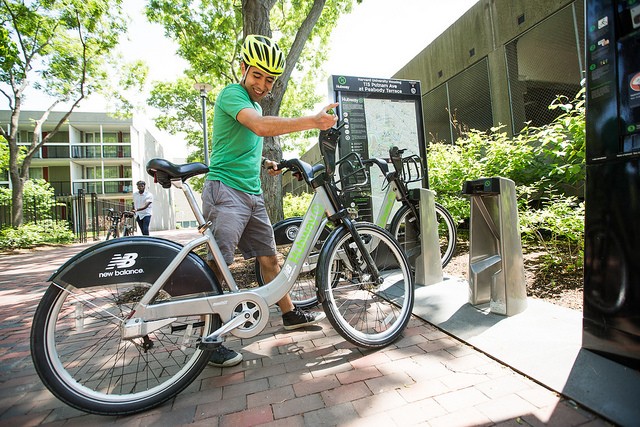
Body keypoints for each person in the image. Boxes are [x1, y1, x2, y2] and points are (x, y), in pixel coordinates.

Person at [202, 34, 339, 368]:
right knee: (219, 264)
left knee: (269, 260)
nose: (262, 84)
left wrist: (268, 165)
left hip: (251, 193)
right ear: (243, 69)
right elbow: (261, 128)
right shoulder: (232, 93)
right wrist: (313, 121)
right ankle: (209, 337)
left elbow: (246, 143)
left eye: (269, 79)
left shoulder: (256, 104)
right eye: (257, 75)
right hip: (226, 190)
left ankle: (289, 313)